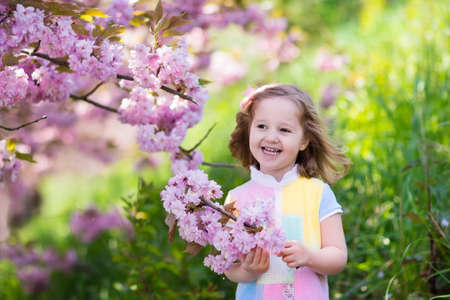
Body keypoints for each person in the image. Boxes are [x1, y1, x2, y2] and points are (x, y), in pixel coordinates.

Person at [224, 84, 351, 299]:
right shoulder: (237, 199)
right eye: (262, 126)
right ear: (249, 130)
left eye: (284, 130)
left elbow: (338, 256)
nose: (271, 137)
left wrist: (310, 257)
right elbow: (229, 267)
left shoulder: (317, 193)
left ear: (304, 140)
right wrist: (248, 270)